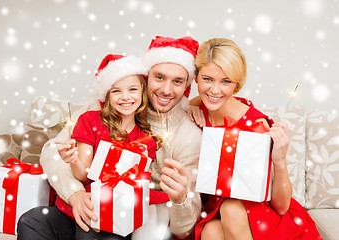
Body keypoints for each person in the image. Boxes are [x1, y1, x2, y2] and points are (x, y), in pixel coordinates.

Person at [17, 36, 202, 240]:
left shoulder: (189, 135)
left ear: (186, 85)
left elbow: (185, 227)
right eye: (159, 77)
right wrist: (75, 194)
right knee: (32, 221)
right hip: (83, 208)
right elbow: (52, 152)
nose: (166, 90)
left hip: (126, 221)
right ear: (146, 78)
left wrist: (181, 198)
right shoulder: (105, 109)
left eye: (177, 81)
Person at [187, 38, 322, 240]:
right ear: (196, 78)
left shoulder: (256, 126)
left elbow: (282, 206)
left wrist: (280, 159)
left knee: (231, 208)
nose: (214, 90)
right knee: (210, 231)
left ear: (237, 84)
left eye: (226, 81)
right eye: (207, 79)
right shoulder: (198, 105)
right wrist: (185, 109)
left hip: (262, 214)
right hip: (217, 210)